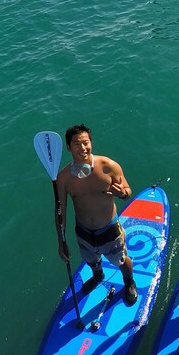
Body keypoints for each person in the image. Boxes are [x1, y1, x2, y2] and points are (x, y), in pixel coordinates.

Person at [54, 124, 138, 306]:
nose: (83, 148)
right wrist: (61, 242)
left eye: (86, 142)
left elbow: (127, 191)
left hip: (109, 230)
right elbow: (60, 210)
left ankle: (129, 282)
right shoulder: (63, 178)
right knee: (91, 260)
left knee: (122, 261)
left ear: (91, 142)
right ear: (68, 147)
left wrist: (122, 194)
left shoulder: (109, 166)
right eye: (77, 144)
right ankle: (98, 275)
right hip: (83, 232)